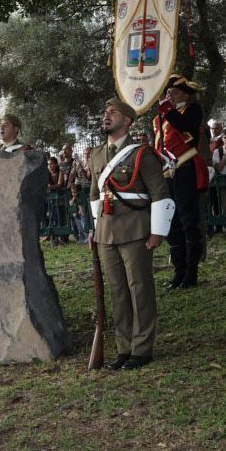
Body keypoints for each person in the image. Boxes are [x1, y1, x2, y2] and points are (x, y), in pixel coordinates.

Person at [89, 99, 174, 369]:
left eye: (113, 112)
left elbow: (160, 192)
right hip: (106, 232)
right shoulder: (96, 154)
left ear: (127, 120)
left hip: (136, 229)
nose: (106, 116)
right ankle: (124, 348)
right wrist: (95, 227)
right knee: (117, 292)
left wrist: (158, 231)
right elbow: (94, 194)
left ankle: (142, 348)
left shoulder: (142, 153)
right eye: (105, 112)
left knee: (140, 289)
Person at [152, 74, 209, 289]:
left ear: (185, 94)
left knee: (188, 221)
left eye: (174, 92)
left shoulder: (192, 110)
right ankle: (179, 271)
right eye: (167, 93)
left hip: (185, 168)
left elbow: (185, 129)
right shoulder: (162, 118)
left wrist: (166, 108)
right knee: (172, 223)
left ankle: (191, 273)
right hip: (168, 172)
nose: (169, 96)